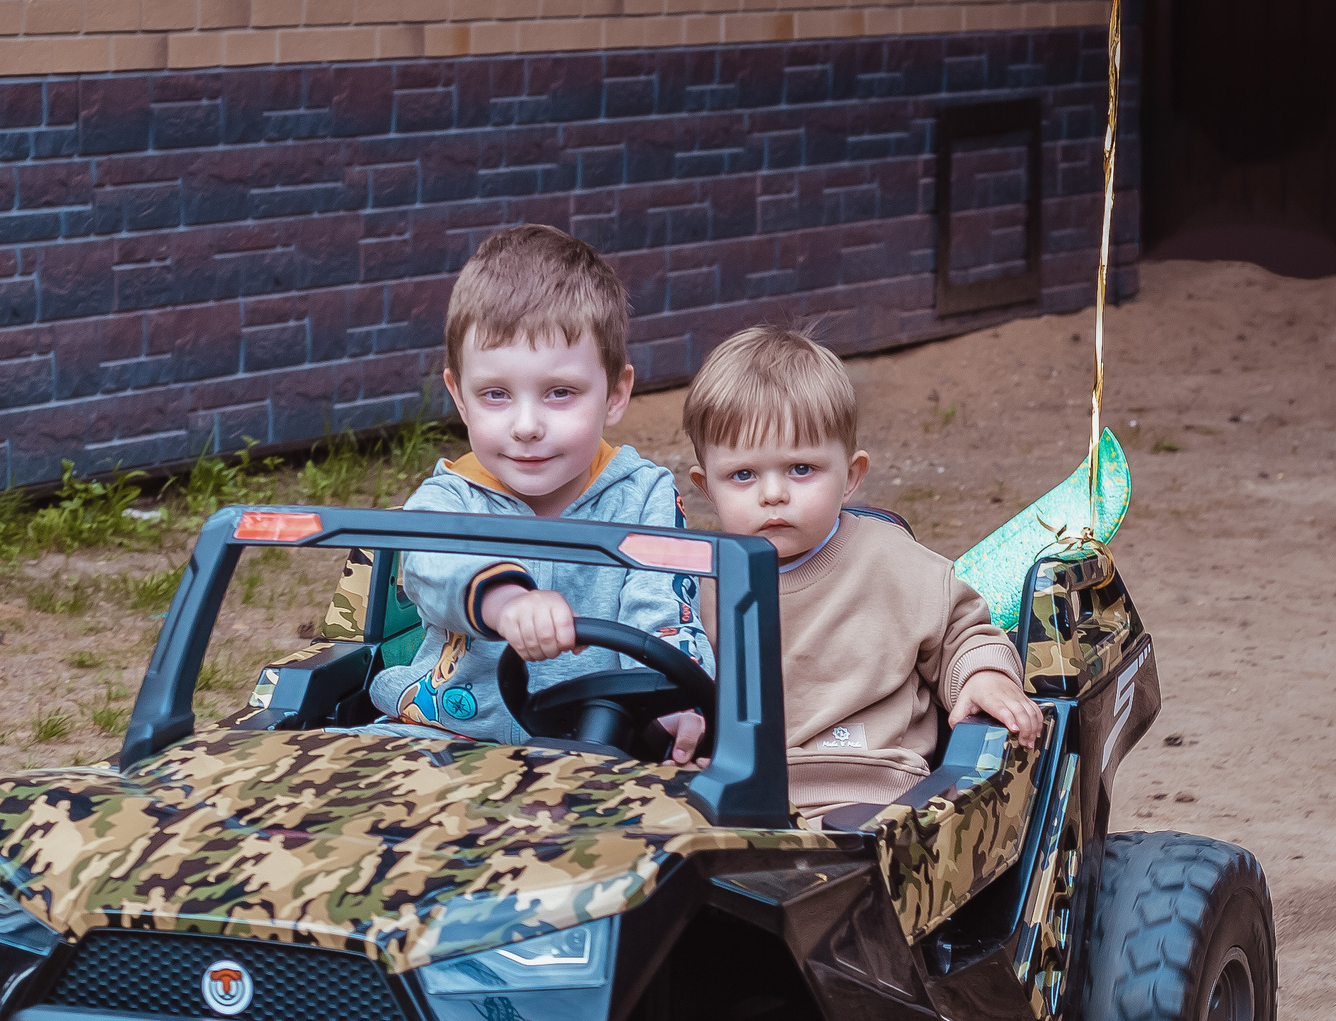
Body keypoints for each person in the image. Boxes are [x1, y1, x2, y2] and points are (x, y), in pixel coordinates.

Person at [662, 326, 1043, 816]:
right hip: (732, 802)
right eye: (743, 475)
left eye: (801, 469)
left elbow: (962, 630)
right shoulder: (697, 585)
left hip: (874, 799)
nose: (773, 494)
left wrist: (985, 676)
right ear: (705, 486)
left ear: (852, 476)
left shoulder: (890, 561)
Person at [369, 225, 714, 752]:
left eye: (559, 393)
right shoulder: (450, 498)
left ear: (616, 394)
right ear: (459, 396)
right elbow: (431, 562)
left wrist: (677, 701)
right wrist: (506, 602)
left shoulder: (644, 497)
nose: (526, 425)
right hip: (441, 740)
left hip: (599, 748)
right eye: (495, 395)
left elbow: (667, 612)